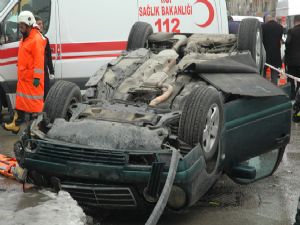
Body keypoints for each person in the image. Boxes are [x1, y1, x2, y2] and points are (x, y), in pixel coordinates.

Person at [3, 11, 46, 133]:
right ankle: (16, 125)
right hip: (24, 78)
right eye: (20, 26)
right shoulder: (26, 37)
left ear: (29, 24)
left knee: (35, 106)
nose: (20, 28)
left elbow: (39, 60)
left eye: (22, 26)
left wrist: (37, 76)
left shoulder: (36, 39)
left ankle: (37, 129)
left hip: (32, 79)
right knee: (21, 103)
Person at [35, 16, 55, 99]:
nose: (41, 26)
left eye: (42, 24)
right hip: (36, 73)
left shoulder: (45, 39)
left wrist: (52, 71)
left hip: (44, 72)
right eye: (39, 24)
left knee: (46, 93)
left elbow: (49, 57)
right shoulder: (33, 40)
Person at [262, 14, 283, 84]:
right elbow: (280, 41)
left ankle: (264, 90)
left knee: (263, 76)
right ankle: (275, 91)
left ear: (266, 20)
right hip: (276, 56)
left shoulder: (263, 27)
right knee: (274, 77)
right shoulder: (280, 27)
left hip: (265, 55)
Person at [285, 15, 300, 100]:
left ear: (295, 21)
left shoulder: (291, 31)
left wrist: (286, 60)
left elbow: (287, 44)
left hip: (292, 62)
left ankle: (292, 97)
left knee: (291, 81)